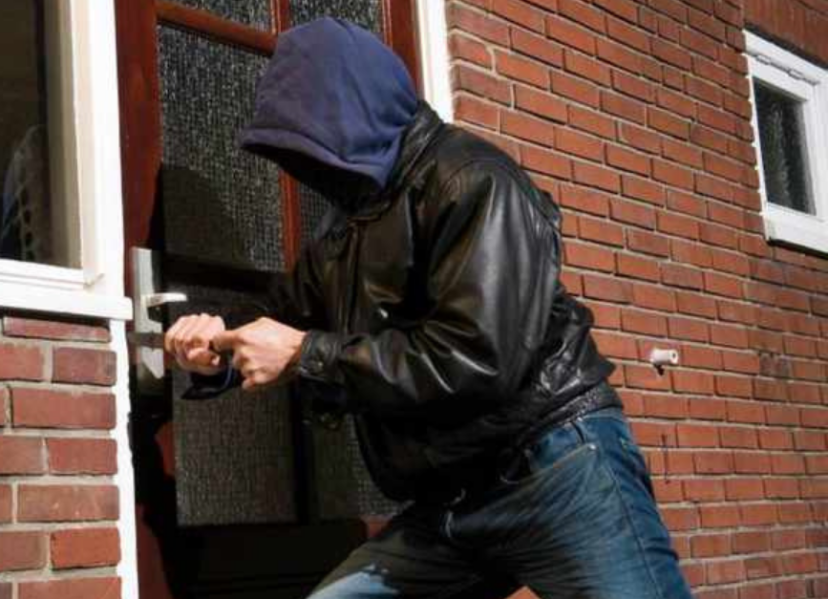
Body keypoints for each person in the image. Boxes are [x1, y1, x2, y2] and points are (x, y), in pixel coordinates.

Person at [164, 17, 694, 599]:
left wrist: (304, 353)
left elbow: (478, 358)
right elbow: (279, 321)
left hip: (553, 465)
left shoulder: (473, 181)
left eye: (314, 143)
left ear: (356, 114)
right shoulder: (344, 230)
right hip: (446, 503)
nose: (308, 170)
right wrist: (215, 347)